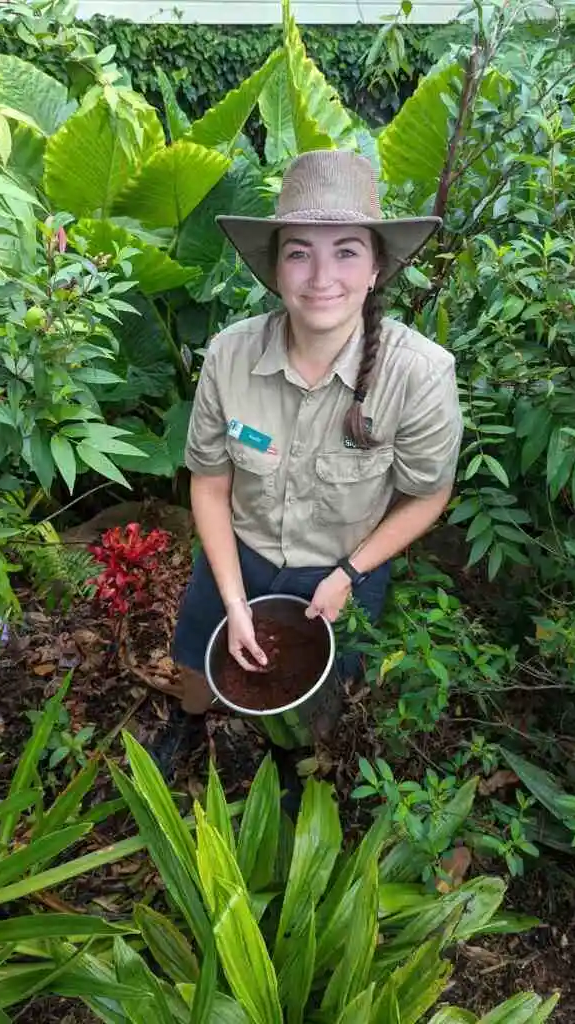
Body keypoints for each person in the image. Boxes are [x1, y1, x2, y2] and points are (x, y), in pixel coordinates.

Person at [173, 149, 463, 715]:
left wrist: (351, 573)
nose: (322, 278)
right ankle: (186, 726)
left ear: (377, 268)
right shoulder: (230, 355)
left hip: (347, 565)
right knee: (197, 660)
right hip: (240, 552)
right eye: (299, 253)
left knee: (321, 694)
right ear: (276, 268)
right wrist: (234, 599)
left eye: (346, 252)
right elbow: (208, 484)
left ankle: (296, 772)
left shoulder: (420, 374)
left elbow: (429, 494)